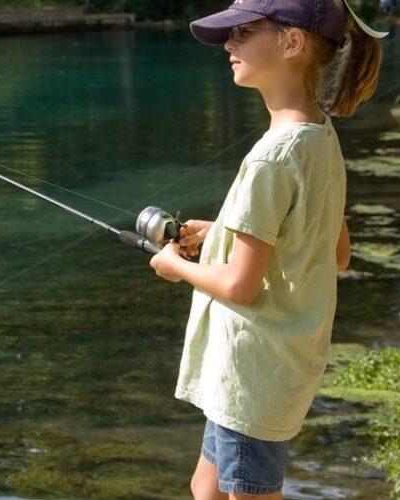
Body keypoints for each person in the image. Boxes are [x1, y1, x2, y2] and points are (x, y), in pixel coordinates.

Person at [148, 1, 384, 498]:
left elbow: (240, 284)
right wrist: (224, 230)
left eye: (243, 31)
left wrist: (174, 266)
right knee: (205, 487)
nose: (229, 44)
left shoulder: (272, 157)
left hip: (252, 372)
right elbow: (332, 251)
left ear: (291, 42)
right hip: (276, 366)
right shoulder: (319, 133)